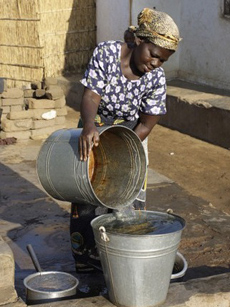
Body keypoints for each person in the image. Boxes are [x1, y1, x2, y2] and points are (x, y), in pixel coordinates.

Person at [70, 7, 181, 272]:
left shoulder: (155, 77)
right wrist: (88, 127)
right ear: (139, 40)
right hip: (94, 126)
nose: (155, 63)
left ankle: (123, 259)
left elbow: (147, 121)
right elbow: (91, 95)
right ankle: (86, 258)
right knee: (88, 193)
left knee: (129, 196)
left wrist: (122, 147)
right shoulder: (107, 53)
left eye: (162, 60)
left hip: (132, 135)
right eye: (153, 55)